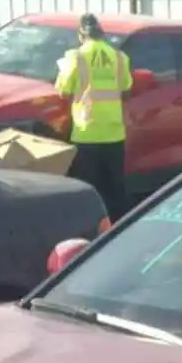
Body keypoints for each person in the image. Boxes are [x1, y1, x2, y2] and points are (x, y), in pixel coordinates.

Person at [55, 13, 132, 217]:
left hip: (87, 132)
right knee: (115, 189)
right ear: (102, 34)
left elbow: (63, 89)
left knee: (90, 189)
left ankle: (94, 231)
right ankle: (119, 228)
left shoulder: (76, 57)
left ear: (81, 35)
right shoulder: (119, 57)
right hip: (114, 132)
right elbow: (126, 87)